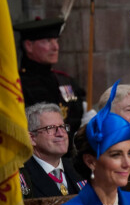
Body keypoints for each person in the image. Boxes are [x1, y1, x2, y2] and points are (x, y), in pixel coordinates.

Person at [13, 18, 85, 153]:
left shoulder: (66, 81)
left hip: (69, 157)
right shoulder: (18, 84)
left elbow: (74, 118)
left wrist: (85, 126)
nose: (55, 47)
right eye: (47, 41)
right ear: (29, 46)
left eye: (56, 41)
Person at [19, 102, 84, 198]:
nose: (61, 134)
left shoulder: (79, 167)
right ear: (32, 138)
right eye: (50, 128)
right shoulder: (20, 175)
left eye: (62, 127)